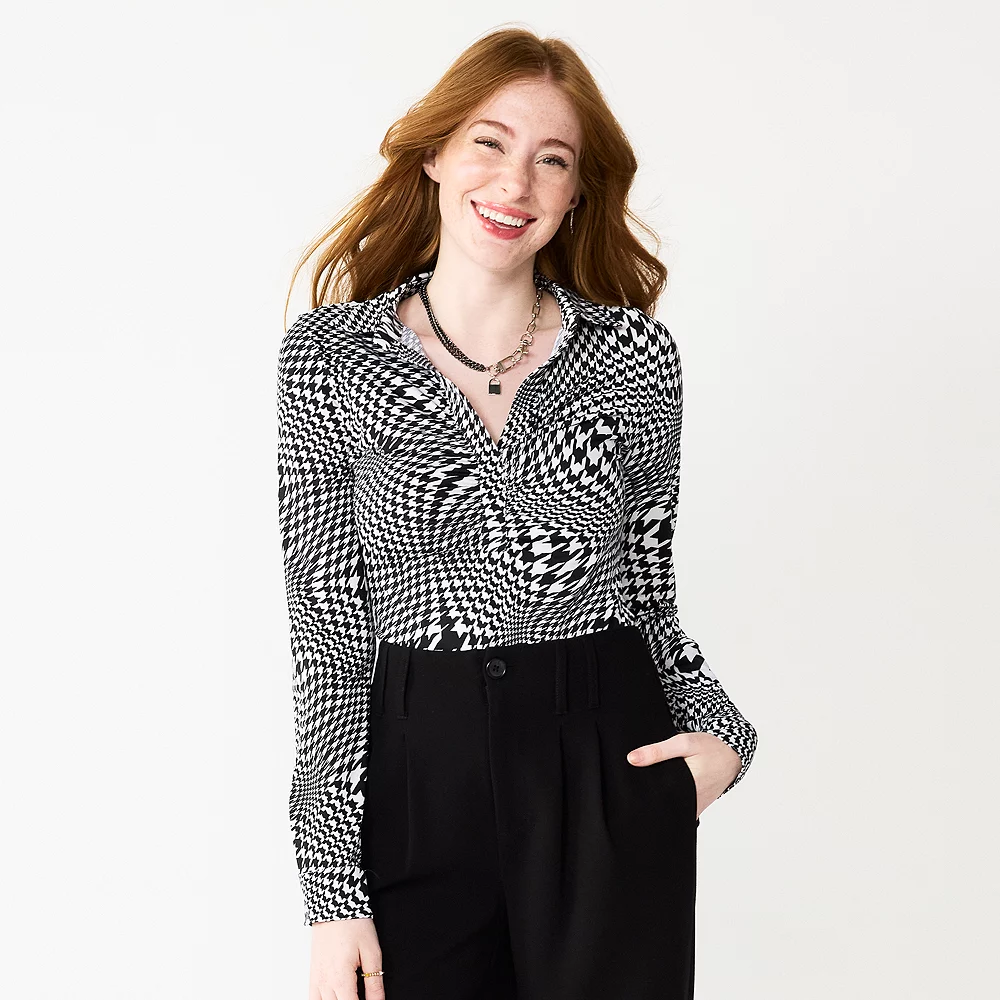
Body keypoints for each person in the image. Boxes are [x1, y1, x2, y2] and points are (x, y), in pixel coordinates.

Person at [276, 26, 758, 1000]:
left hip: (604, 766)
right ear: (435, 154)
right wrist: (330, 893)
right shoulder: (330, 357)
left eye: (552, 160)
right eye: (489, 143)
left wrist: (722, 740)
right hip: (421, 778)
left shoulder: (633, 358)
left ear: (577, 192)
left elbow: (650, 594)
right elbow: (326, 637)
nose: (516, 183)